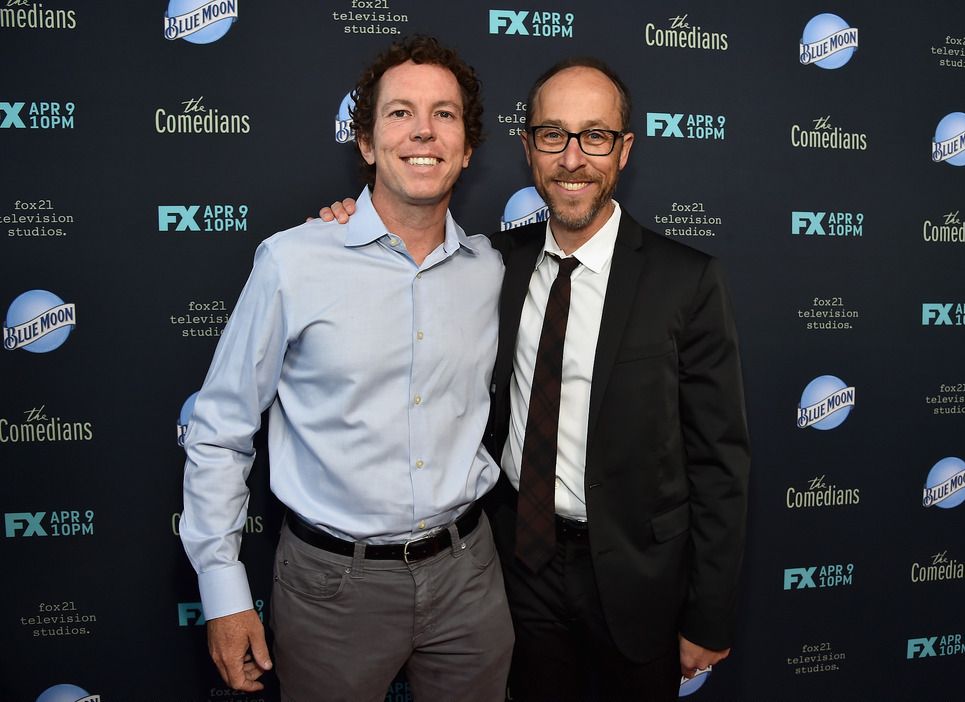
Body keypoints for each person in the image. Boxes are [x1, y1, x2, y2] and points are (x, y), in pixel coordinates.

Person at [323, 56, 749, 702]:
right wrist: (347, 224)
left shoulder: (686, 281)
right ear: (529, 149)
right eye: (553, 134)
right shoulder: (493, 264)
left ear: (624, 150)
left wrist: (709, 612)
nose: (573, 158)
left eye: (595, 136)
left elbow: (721, 464)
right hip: (517, 572)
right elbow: (406, 250)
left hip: (637, 583)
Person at [180, 35, 513, 701]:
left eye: (445, 114)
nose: (424, 130)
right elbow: (219, 429)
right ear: (365, 144)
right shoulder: (293, 262)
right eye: (400, 113)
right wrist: (222, 592)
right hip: (332, 589)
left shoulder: (493, 269)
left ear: (468, 149)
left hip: (469, 577)